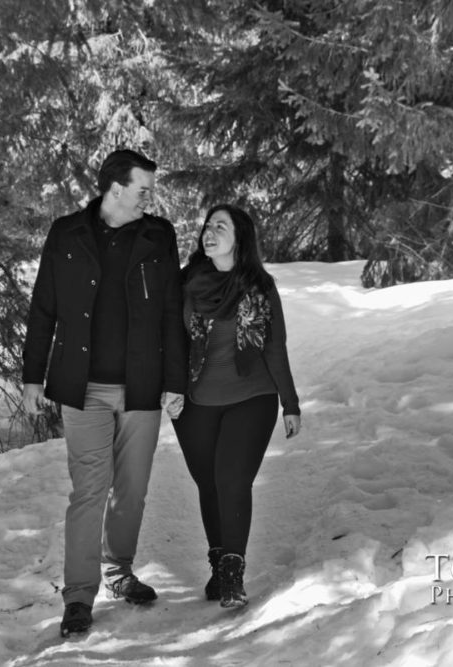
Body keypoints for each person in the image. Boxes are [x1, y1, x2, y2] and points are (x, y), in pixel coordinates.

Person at [20, 149, 187, 637]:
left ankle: (119, 571)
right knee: (88, 491)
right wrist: (33, 375)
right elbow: (42, 309)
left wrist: (174, 382)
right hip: (83, 388)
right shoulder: (66, 233)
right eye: (143, 189)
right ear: (116, 189)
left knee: (131, 491)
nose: (149, 198)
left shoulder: (159, 236)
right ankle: (78, 596)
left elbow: (172, 311)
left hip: (142, 388)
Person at [170, 204, 301, 609]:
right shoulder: (187, 282)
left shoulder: (260, 286)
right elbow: (172, 342)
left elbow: (275, 347)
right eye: (207, 226)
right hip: (196, 402)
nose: (209, 232)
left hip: (252, 397)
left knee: (231, 479)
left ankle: (232, 572)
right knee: (207, 482)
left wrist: (290, 403)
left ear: (239, 239)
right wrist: (169, 388)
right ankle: (217, 561)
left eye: (220, 227)